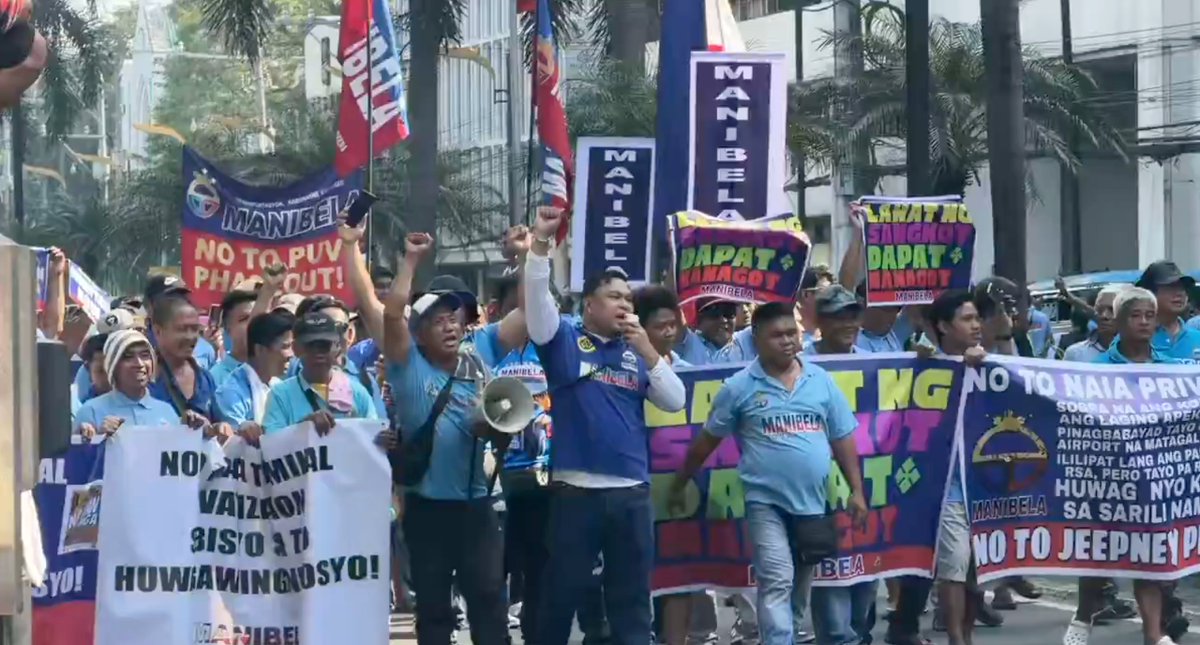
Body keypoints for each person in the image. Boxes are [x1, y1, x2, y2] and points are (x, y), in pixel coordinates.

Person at [524, 206, 686, 645]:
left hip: (631, 494)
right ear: (589, 304)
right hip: (576, 493)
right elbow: (537, 302)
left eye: (629, 300)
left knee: (632, 602)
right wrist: (540, 244)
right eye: (614, 297)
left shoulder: (639, 353)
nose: (623, 305)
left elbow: (675, 401)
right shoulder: (562, 340)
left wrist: (649, 351)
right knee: (561, 597)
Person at [666, 301, 867, 645]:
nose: (788, 341)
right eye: (777, 335)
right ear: (757, 338)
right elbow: (706, 441)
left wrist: (857, 491)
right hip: (765, 505)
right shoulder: (739, 387)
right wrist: (680, 482)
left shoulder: (821, 382)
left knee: (798, 593)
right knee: (776, 581)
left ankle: (782, 636)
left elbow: (842, 438)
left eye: (793, 333)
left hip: (812, 507)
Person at [383, 231, 509, 645]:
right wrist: (411, 260)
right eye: (437, 321)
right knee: (435, 610)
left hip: (476, 507)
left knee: (489, 600)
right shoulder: (409, 369)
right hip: (427, 512)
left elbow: (503, 422)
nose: (450, 326)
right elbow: (390, 315)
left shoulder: (478, 369)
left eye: (454, 319)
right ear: (417, 335)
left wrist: (492, 428)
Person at [633, 285, 723, 645]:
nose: (669, 332)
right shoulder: (625, 370)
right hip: (637, 488)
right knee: (637, 578)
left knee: (677, 577)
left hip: (679, 493)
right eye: (660, 325)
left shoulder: (690, 373)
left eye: (674, 324)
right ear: (640, 329)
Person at [921, 290, 996, 645]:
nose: (976, 325)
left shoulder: (992, 365)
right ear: (942, 326)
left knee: (975, 571)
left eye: (977, 318)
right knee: (953, 565)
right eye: (967, 319)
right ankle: (955, 637)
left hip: (982, 485)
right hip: (946, 484)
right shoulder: (925, 366)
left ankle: (965, 634)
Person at [75, 330, 214, 437]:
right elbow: (75, 468)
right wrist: (98, 439)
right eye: (128, 357)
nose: (139, 364)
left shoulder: (166, 411)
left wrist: (198, 431)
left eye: (145, 355)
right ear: (113, 366)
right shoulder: (90, 412)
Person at [261, 311, 377, 434]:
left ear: (337, 347)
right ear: (295, 348)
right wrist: (303, 427)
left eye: (324, 345)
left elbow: (372, 433)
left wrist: (382, 438)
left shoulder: (357, 393)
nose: (318, 353)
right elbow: (271, 443)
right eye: (310, 345)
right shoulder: (280, 395)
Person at [214, 311, 295, 441]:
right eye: (285, 346)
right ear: (260, 350)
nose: (291, 354)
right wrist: (242, 429)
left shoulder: (280, 387)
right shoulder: (231, 392)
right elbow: (230, 443)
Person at [148, 294, 218, 422]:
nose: (190, 336)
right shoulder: (146, 379)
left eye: (195, 329)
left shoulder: (206, 379)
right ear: (158, 331)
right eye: (182, 329)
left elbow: (217, 423)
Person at [143, 275, 219, 370]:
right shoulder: (138, 346)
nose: (178, 304)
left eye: (182, 299)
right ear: (149, 306)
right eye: (170, 300)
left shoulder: (205, 349)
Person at [1135, 260, 1200, 361]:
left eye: (1183, 287)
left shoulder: (1197, 338)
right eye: (1171, 287)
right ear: (1149, 292)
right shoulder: (1132, 339)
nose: (1180, 293)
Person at [208, 289, 259, 386]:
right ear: (227, 327)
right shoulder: (215, 380)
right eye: (244, 319)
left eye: (258, 318)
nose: (253, 325)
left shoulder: (273, 380)